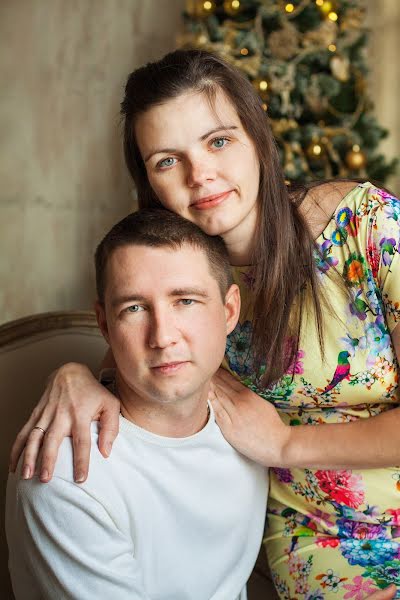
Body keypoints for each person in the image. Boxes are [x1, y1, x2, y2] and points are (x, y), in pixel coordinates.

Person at [9, 49, 400, 599]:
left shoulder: (364, 226)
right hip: (325, 538)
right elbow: (138, 356)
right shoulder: (188, 286)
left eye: (218, 141)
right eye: (167, 160)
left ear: (257, 138)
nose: (201, 175)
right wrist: (74, 374)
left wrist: (286, 446)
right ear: (148, 183)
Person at [6, 209, 268, 600]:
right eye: (134, 308)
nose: (162, 337)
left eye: (186, 301)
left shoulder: (256, 424)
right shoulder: (66, 476)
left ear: (229, 310)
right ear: (105, 324)